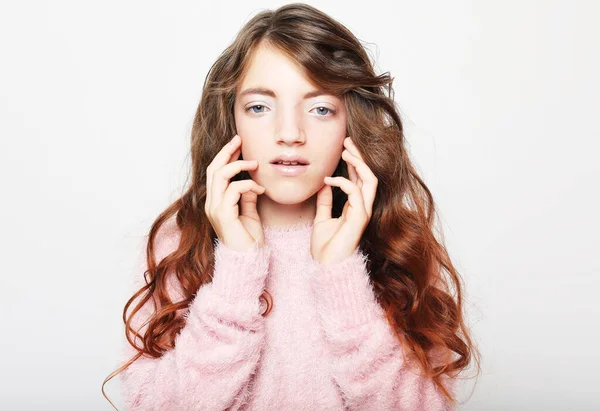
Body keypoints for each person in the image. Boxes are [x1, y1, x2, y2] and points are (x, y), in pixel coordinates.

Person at [102, 3, 480, 410]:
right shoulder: (178, 245)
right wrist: (236, 272)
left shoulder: (398, 244)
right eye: (260, 107)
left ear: (351, 123)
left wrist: (341, 277)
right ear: (231, 120)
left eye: (320, 108)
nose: (289, 133)